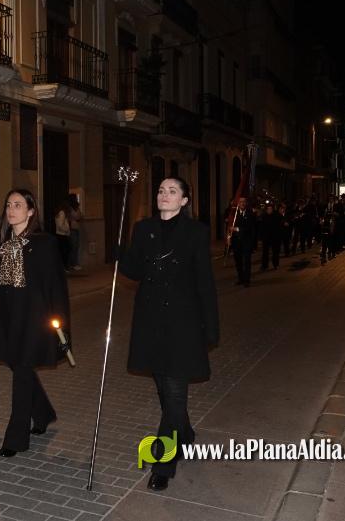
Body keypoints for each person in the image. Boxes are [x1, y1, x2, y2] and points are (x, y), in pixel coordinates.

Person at [120, 177, 219, 492]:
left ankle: (164, 462)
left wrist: (210, 327)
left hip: (182, 323)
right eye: (161, 190)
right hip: (151, 321)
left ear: (185, 200)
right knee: (164, 390)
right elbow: (135, 271)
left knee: (175, 394)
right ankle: (185, 433)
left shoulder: (196, 232)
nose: (164, 195)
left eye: (172, 191)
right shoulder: (143, 228)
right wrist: (122, 253)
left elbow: (204, 282)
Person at [0, 190, 70, 458]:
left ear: (31, 211)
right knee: (18, 366)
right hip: (7, 318)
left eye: (18, 205)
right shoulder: (4, 243)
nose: (11, 210)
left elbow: (56, 287)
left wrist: (61, 327)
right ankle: (43, 412)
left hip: (33, 320)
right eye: (9, 205)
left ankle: (16, 439)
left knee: (21, 373)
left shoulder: (44, 244)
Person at [229, 197, 255, 286]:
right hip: (236, 242)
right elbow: (230, 226)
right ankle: (241, 278)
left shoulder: (250, 214)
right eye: (240, 202)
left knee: (247, 261)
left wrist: (237, 229)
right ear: (238, 204)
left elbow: (249, 228)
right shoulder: (234, 214)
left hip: (246, 241)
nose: (242, 203)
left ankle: (247, 280)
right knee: (238, 261)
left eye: (244, 201)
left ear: (246, 203)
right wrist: (229, 237)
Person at [53, 201, 72, 270]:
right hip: (63, 235)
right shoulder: (62, 213)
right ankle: (64, 267)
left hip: (60, 235)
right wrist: (67, 230)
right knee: (65, 252)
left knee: (63, 252)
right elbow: (60, 225)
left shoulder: (59, 213)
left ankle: (63, 267)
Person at [67, 194, 84, 270]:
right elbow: (77, 216)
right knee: (73, 247)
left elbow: (80, 216)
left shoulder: (76, 207)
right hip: (72, 229)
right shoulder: (70, 208)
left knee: (76, 246)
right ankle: (73, 264)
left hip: (76, 228)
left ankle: (74, 263)